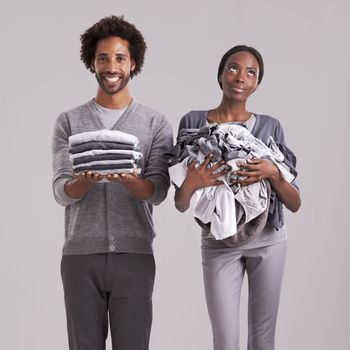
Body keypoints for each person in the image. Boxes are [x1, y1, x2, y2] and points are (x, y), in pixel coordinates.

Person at [51, 15, 173, 350]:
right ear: (92, 61)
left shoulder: (155, 122)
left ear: (133, 63)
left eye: (120, 58)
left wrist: (133, 183)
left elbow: (159, 190)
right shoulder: (69, 121)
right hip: (80, 257)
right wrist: (83, 182)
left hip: (134, 255)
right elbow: (61, 190)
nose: (111, 66)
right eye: (103, 57)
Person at [174, 45, 301, 350]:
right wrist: (192, 182)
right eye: (233, 68)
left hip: (269, 240)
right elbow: (180, 203)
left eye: (250, 72)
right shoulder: (193, 123)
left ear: (257, 83)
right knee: (225, 341)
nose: (240, 76)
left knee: (262, 339)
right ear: (220, 75)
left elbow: (295, 202)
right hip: (219, 242)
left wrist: (273, 172)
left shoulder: (270, 127)